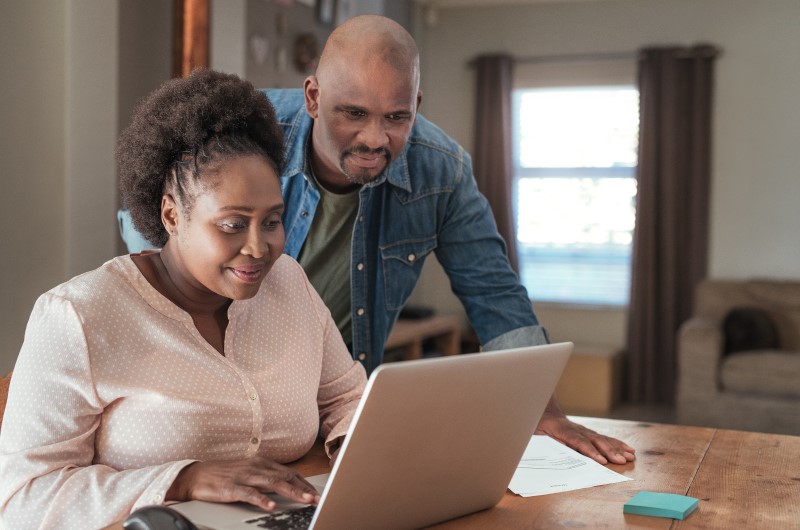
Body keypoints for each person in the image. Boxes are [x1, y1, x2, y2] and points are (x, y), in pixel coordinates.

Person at [120, 15, 634, 465]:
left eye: (396, 117)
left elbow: (494, 294)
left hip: (338, 400)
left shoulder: (442, 170)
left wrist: (541, 411)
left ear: (417, 104)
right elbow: (156, 242)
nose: (373, 138)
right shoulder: (244, 139)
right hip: (221, 385)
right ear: (314, 97)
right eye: (353, 114)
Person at [0, 69, 367, 530]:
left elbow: (348, 396)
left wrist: (365, 452)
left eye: (272, 221)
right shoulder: (77, 317)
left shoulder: (288, 282)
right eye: (233, 224)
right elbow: (21, 500)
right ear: (172, 214)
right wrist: (182, 479)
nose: (259, 248)